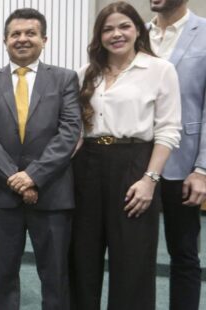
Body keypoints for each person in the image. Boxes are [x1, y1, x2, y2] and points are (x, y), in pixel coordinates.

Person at [70, 2, 181, 309]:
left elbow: (169, 130)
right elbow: (77, 132)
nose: (116, 34)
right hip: (87, 165)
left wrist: (150, 179)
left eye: (124, 26)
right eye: (107, 29)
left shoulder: (160, 70)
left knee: (133, 260)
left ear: (137, 30)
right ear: (99, 36)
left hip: (134, 164)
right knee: (81, 257)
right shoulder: (85, 74)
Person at [0, 8, 81, 310]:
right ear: (5, 41)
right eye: (15, 34)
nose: (22, 39)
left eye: (30, 33)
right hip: (3, 197)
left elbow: (69, 132)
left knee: (55, 278)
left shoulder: (64, 79)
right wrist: (16, 179)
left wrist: (33, 176)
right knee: (1, 278)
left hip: (52, 194)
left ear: (44, 39)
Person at [149, 0, 206, 308]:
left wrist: (203, 169)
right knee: (134, 251)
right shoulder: (137, 34)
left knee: (184, 254)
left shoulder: (205, 33)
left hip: (183, 164)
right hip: (135, 162)